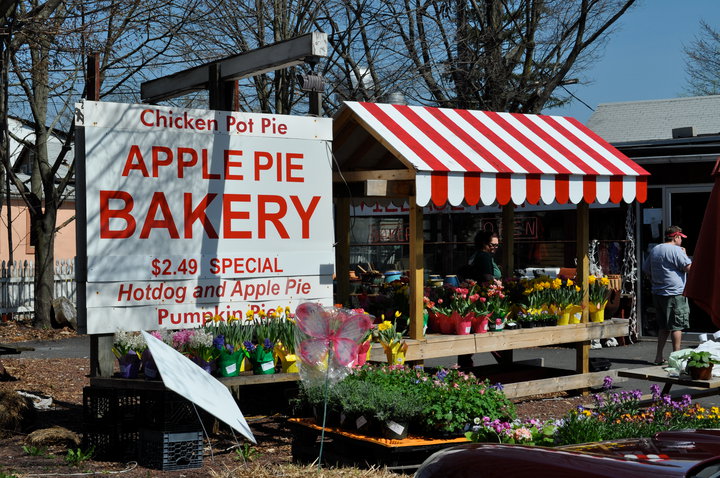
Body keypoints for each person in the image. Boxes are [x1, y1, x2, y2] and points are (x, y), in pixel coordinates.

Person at [642, 225, 692, 365]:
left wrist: (658, 279)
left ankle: (659, 356)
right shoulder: (677, 250)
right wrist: (686, 255)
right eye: (680, 238)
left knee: (663, 326)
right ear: (676, 237)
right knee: (676, 326)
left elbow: (646, 269)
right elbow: (689, 268)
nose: (681, 241)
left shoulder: (655, 249)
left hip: (658, 293)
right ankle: (676, 359)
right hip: (674, 293)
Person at [458, 230, 502, 368]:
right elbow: (487, 276)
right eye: (492, 245)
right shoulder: (484, 256)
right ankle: (504, 362)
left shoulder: (476, 255)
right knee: (487, 330)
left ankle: (465, 363)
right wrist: (496, 284)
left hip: (475, 295)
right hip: (484, 297)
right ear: (484, 244)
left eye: (496, 245)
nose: (494, 248)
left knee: (475, 330)